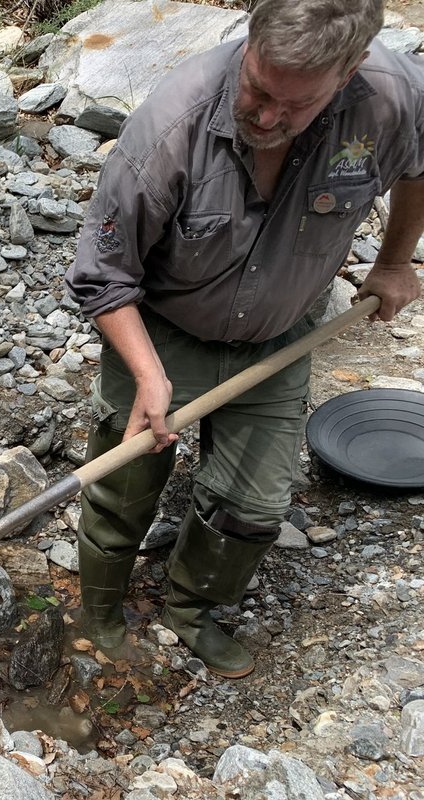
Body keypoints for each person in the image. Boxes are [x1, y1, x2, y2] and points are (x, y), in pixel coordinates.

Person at [65, 0, 424, 678]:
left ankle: (191, 610)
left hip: (278, 335)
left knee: (254, 505)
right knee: (124, 480)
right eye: (257, 89)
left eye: (295, 106)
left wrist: (395, 261)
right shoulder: (173, 125)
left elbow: (418, 161)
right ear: (251, 43)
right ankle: (99, 609)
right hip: (163, 330)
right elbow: (102, 275)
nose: (264, 117)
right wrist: (147, 374)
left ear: (350, 71)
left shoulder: (393, 97)